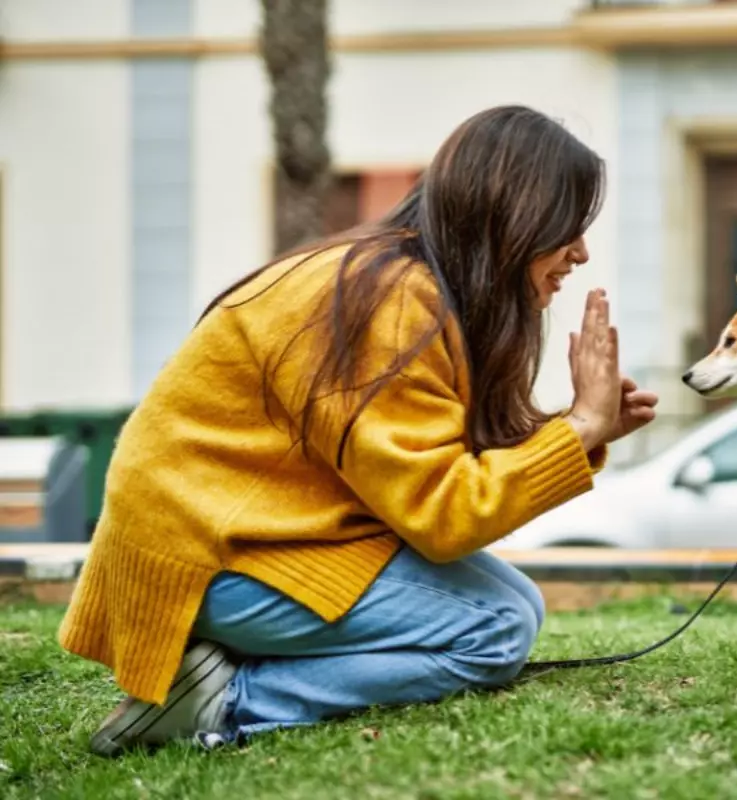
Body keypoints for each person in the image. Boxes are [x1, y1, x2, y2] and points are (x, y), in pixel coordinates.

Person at [58, 105, 658, 756]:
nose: (582, 250)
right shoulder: (392, 301)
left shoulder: (403, 281)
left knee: (517, 602)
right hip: (208, 563)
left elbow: (425, 475)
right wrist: (577, 428)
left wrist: (583, 430)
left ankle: (217, 671)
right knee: (497, 627)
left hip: (251, 537)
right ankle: (220, 703)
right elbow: (444, 514)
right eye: (568, 223)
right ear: (514, 213)